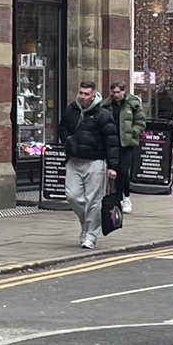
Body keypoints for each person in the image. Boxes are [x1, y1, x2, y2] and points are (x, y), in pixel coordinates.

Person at [58, 80, 119, 250]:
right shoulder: (70, 110)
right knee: (72, 196)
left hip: (95, 162)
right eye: (81, 93)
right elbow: (62, 129)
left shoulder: (103, 115)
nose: (83, 97)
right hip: (74, 161)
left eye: (86, 94)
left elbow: (112, 142)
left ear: (94, 95)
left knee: (94, 201)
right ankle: (87, 224)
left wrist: (112, 166)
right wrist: (68, 141)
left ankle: (90, 236)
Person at [104, 80, 146, 213]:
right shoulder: (106, 105)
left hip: (127, 143)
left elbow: (141, 121)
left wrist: (133, 132)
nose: (116, 95)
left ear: (124, 91)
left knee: (123, 171)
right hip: (112, 142)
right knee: (114, 173)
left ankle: (126, 197)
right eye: (114, 92)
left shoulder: (132, 104)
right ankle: (119, 198)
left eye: (119, 92)